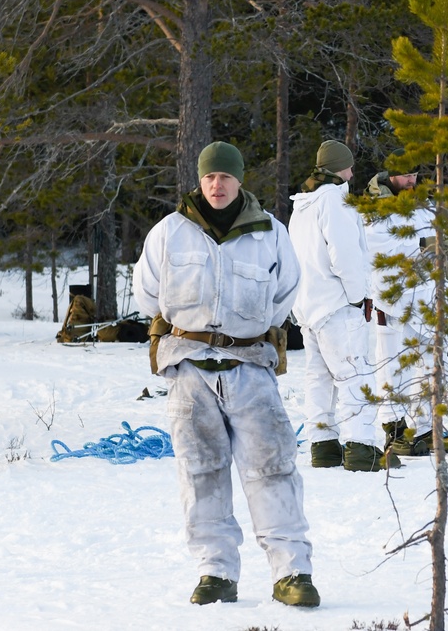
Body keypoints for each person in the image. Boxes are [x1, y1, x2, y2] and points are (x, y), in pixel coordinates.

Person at [133, 141, 319, 608]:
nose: (217, 185)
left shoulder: (269, 234)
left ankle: (292, 572)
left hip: (250, 367)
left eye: (225, 177)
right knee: (200, 474)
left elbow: (286, 291)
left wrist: (246, 332)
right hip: (191, 372)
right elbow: (147, 293)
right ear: (200, 179)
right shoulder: (169, 232)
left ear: (240, 180)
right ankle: (215, 572)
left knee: (273, 470)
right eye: (209, 177)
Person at [288, 140, 398, 472]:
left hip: (309, 305)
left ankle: (323, 447)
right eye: (349, 166)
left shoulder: (303, 203)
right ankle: (361, 448)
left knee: (319, 378)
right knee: (354, 374)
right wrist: (357, 296)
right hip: (337, 304)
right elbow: (345, 254)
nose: (353, 172)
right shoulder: (336, 199)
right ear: (340, 168)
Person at [363, 163, 448, 456]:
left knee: (430, 367)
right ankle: (395, 430)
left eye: (414, 175)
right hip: (392, 301)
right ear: (390, 176)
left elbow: (441, 243)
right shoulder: (376, 208)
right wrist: (421, 245)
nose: (411, 180)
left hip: (425, 298)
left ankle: (428, 428)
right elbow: (375, 248)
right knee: (392, 368)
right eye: (405, 175)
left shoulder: (424, 205)